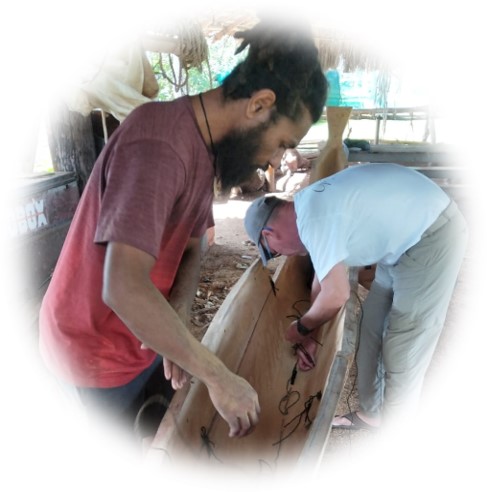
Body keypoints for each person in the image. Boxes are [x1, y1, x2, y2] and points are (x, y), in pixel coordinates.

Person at [38, 20, 328, 439]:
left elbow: (194, 246)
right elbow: (122, 286)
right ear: (259, 104)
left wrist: (178, 320)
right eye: (283, 142)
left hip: (141, 336)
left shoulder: (202, 149)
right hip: (92, 351)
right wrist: (216, 374)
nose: (275, 159)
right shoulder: (159, 146)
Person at [244, 163, 468, 429]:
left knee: (402, 345)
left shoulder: (314, 219)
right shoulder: (305, 209)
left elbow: (337, 294)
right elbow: (321, 283)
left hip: (431, 234)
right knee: (370, 327)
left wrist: (302, 327)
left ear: (269, 234)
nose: (284, 255)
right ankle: (371, 416)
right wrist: (314, 338)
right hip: (399, 241)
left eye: (274, 252)